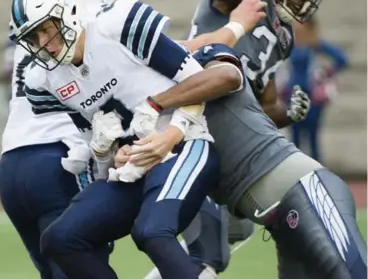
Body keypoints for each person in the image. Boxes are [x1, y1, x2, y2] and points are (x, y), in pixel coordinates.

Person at [9, 0, 266, 278]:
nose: (43, 44)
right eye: (33, 37)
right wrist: (107, 154)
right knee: (60, 239)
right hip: (135, 167)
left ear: (67, 12)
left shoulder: (115, 24)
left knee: (153, 232)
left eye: (45, 29)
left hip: (185, 145)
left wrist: (171, 133)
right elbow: (103, 160)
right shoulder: (47, 79)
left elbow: (198, 83)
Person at [127, 41, 367, 278]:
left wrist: (157, 103)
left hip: (306, 189)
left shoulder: (201, 61)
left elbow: (228, 76)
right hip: (278, 223)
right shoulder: (139, 112)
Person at [142, 0, 327, 277]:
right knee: (208, 252)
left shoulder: (283, 36)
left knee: (231, 234)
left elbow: (263, 107)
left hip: (228, 139)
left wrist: (287, 113)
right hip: (192, 128)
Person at [0, 0, 121, 278]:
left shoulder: (32, 28)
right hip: (61, 161)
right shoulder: (87, 24)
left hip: (12, 163)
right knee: (80, 265)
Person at [285, 18, 348, 162]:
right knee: (294, 138)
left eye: (299, 23)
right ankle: (295, 173)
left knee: (312, 137)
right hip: (293, 95)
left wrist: (327, 72)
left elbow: (342, 59)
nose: (296, 26)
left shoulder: (315, 44)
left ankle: (318, 173)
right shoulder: (291, 44)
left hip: (311, 96)